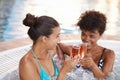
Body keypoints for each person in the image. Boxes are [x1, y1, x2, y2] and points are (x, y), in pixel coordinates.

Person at [19, 13, 80, 80]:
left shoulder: (50, 51)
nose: (59, 39)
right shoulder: (27, 64)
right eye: (57, 36)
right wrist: (64, 71)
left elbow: (61, 46)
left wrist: (72, 53)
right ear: (44, 39)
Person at [58, 10, 115, 79]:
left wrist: (93, 66)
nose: (86, 39)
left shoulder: (108, 54)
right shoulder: (75, 50)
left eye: (92, 36)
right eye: (83, 34)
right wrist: (61, 61)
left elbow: (105, 78)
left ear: (100, 35)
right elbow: (59, 45)